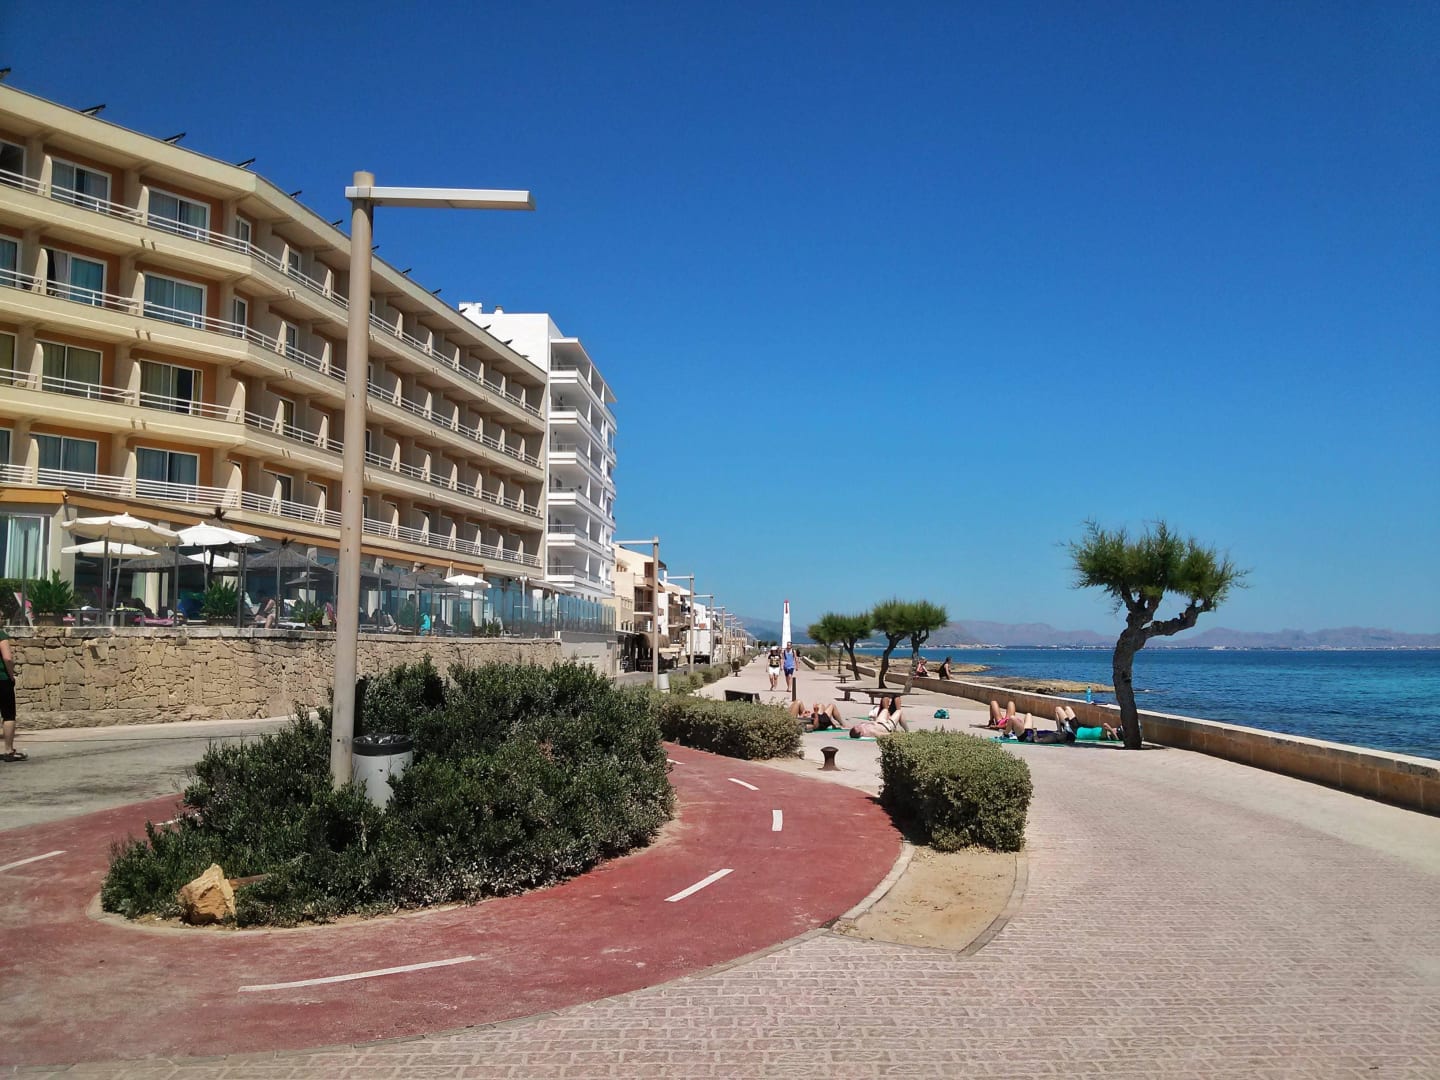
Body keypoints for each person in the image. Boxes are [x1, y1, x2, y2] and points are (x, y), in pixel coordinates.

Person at [0, 627, 23, 761]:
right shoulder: (1, 634)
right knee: (8, 715)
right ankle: (8, 750)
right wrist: (11, 676)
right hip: (2, 679)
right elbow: (7, 658)